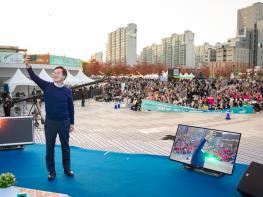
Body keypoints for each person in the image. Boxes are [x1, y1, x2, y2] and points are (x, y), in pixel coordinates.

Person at [24, 55, 75, 181]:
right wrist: (28, 66)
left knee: (65, 147)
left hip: (64, 122)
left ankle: (67, 169)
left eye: (58, 73)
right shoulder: (47, 86)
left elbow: (71, 108)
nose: (55, 74)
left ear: (64, 76)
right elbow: (34, 77)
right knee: (49, 148)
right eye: (54, 73)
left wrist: (72, 123)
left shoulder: (67, 91)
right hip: (50, 123)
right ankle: (51, 171)